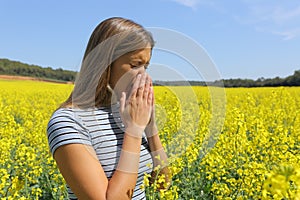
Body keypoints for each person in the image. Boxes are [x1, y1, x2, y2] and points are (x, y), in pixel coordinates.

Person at [47, 17, 170, 200]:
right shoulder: (68, 122)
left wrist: (150, 127)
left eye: (146, 66)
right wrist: (134, 130)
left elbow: (162, 185)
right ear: (104, 63)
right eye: (135, 65)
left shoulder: (126, 112)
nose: (143, 75)